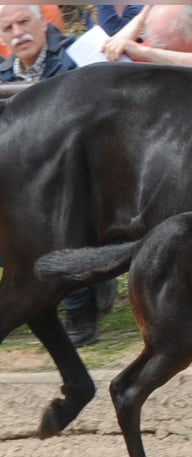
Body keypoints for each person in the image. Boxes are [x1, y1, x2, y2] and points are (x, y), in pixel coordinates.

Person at [0, 4, 116, 346]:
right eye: (8, 29)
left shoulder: (80, 53)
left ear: (43, 23)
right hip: (25, 183)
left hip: (88, 176)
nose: (18, 33)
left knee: (55, 220)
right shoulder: (3, 74)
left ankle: (80, 303)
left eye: (24, 23)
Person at [102, 5, 192, 68]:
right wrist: (142, 17)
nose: (163, 55)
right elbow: (107, 54)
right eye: (160, 51)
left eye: (169, 52)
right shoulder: (160, 42)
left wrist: (147, 53)